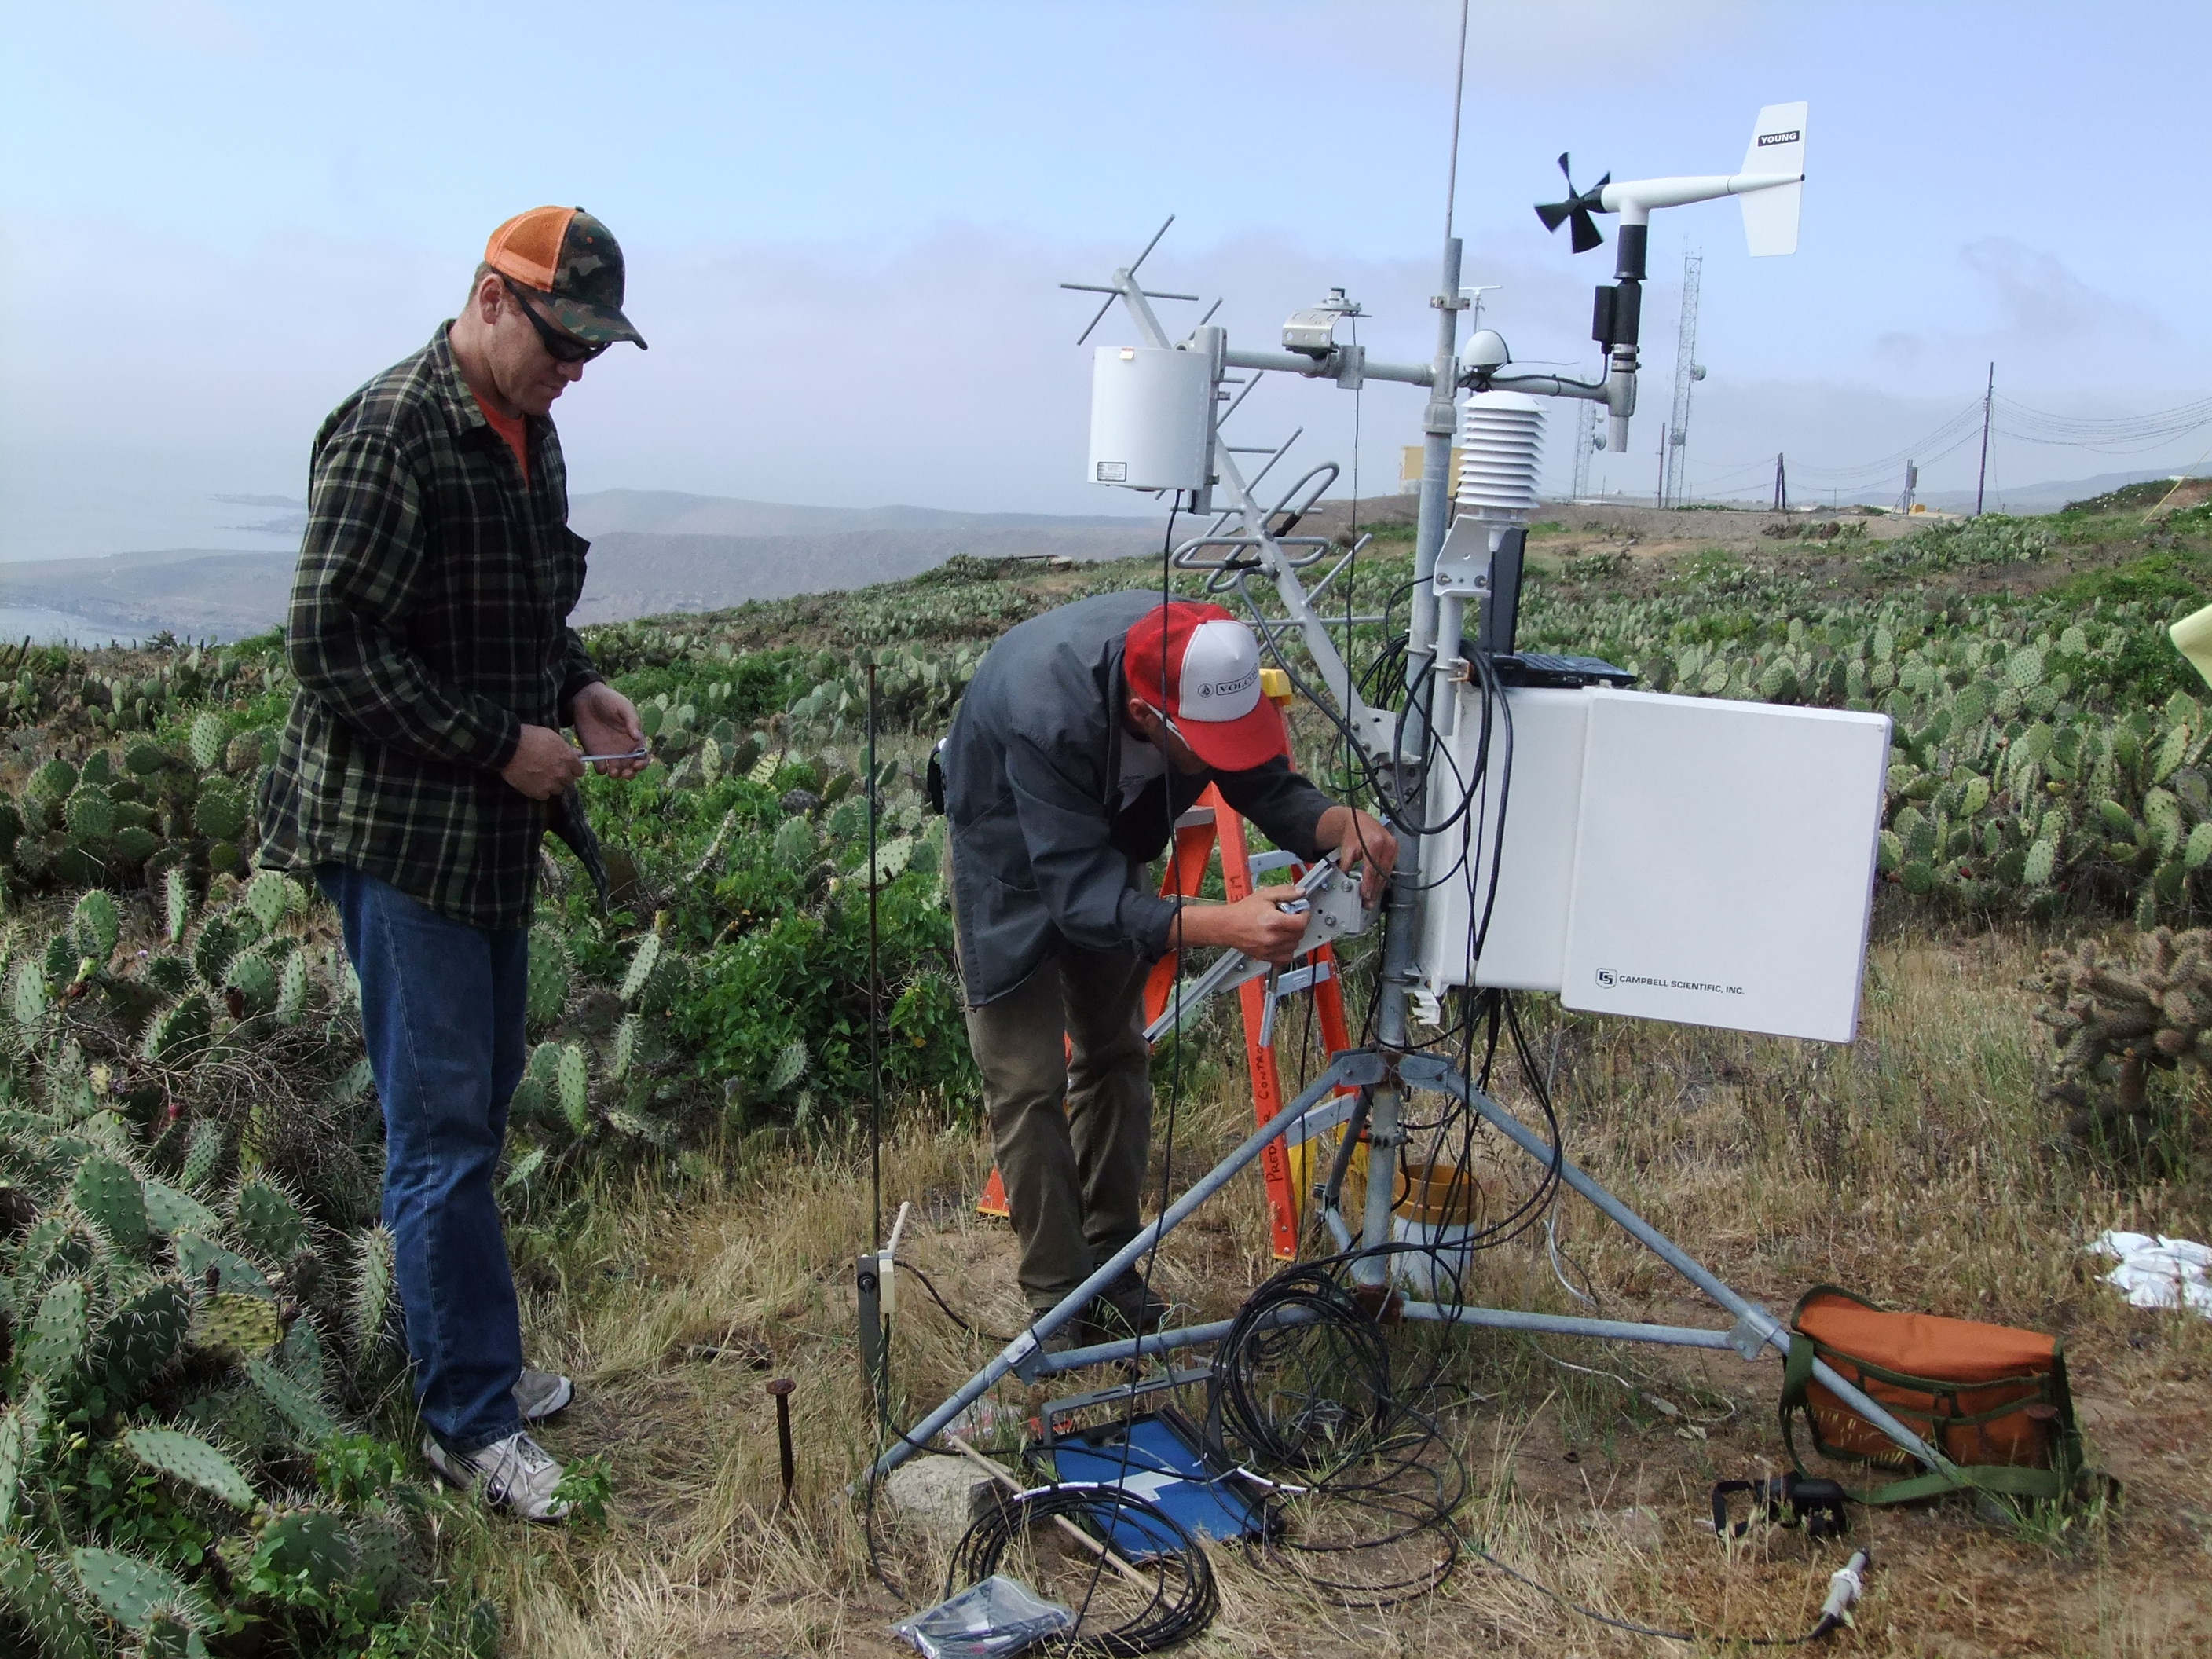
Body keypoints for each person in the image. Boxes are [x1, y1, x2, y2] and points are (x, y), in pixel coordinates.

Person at [257, 206, 650, 1520]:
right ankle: (467, 1426)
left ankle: (474, 1363)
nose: (576, 369)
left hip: (485, 835)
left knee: (472, 1117)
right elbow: (329, 645)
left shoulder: (527, 433)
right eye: (562, 339)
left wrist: (580, 689)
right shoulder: (387, 431)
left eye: (594, 348)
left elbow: (533, 602)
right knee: (439, 1136)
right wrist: (500, 745)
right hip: (401, 840)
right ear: (491, 299)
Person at [942, 593, 1396, 1343]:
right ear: (1152, 719)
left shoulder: (1206, 660)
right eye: (1208, 745)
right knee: (1028, 1082)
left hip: (1107, 841)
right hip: (1009, 854)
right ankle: (1059, 1305)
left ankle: (1112, 1266)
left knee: (1117, 1051)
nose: (1225, 755)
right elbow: (1079, 897)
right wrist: (1227, 924)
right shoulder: (1042, 710)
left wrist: (1335, 822)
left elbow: (1261, 780)